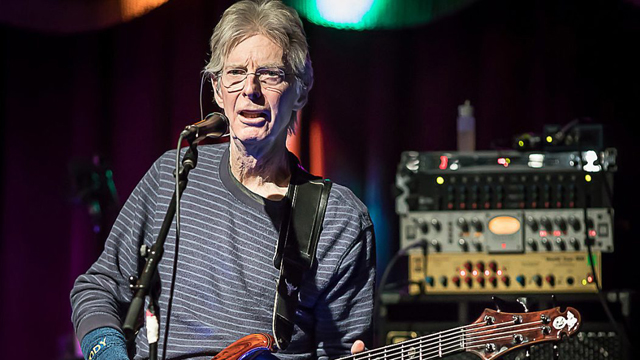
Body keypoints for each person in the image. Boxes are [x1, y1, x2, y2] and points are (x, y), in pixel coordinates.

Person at [70, 1, 376, 359]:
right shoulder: (173, 176)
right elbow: (98, 288)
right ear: (217, 90)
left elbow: (338, 351)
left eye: (270, 74)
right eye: (235, 73)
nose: (251, 89)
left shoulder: (340, 221)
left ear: (302, 89)